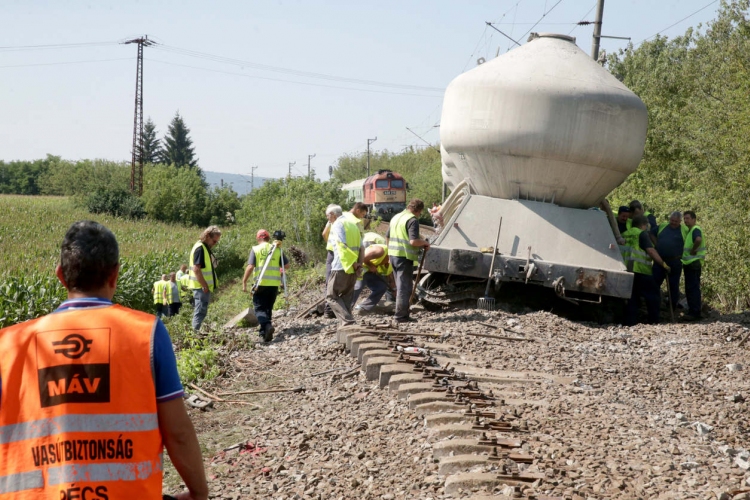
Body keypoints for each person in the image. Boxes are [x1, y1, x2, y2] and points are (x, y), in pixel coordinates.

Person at [0, 221, 208, 500]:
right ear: (115, 274)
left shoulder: (8, 344)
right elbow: (178, 432)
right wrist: (198, 492)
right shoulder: (147, 333)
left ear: (61, 276)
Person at [387, 198, 431, 323]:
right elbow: (413, 241)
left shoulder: (396, 217)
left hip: (393, 256)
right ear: (418, 210)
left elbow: (387, 237)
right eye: (420, 212)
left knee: (401, 285)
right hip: (404, 257)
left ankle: (402, 313)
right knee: (404, 287)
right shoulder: (412, 220)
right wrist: (424, 243)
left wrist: (389, 253)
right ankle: (400, 316)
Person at [242, 229, 290, 342]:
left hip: (260, 283)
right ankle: (265, 333)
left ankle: (267, 326)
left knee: (259, 309)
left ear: (258, 238)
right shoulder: (277, 249)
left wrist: (244, 282)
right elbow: (286, 265)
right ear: (268, 238)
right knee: (268, 309)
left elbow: (250, 267)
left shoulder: (255, 249)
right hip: (273, 284)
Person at [623, 215, 669, 326]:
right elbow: (651, 251)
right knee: (653, 296)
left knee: (632, 298)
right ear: (644, 225)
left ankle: (631, 322)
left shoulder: (625, 234)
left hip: (627, 270)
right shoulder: (642, 234)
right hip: (641, 270)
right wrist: (663, 264)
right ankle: (654, 321)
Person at [326, 206, 363, 325]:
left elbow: (342, 245)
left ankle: (348, 322)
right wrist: (359, 265)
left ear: (332, 214)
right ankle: (347, 324)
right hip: (353, 267)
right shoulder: (353, 225)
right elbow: (362, 248)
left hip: (341, 265)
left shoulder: (337, 224)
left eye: (328, 216)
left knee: (331, 296)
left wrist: (352, 263)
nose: (328, 219)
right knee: (346, 296)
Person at [188, 226, 221, 331]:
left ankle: (194, 334)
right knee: (200, 311)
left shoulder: (203, 247)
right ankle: (193, 335)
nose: (215, 244)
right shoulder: (200, 248)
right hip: (200, 287)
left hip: (201, 286)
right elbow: (196, 269)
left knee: (201, 311)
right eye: (214, 241)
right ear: (207, 236)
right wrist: (204, 285)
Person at [652, 211, 685, 312]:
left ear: (680, 221)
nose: (673, 223)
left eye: (676, 221)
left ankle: (672, 308)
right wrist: (656, 244)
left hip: (675, 262)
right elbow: (651, 233)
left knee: (673, 286)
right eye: (672, 220)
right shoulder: (663, 226)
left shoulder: (684, 230)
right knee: (654, 283)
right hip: (660, 261)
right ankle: (654, 305)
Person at [351, 240, 395, 314]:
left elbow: (389, 276)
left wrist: (394, 289)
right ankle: (347, 307)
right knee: (358, 287)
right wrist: (370, 265)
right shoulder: (380, 251)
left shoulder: (392, 263)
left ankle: (363, 307)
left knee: (381, 287)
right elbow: (363, 257)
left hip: (370, 272)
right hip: (361, 268)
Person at [681, 210, 706, 320]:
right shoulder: (690, 231)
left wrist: (693, 250)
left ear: (694, 219)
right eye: (684, 218)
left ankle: (694, 312)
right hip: (690, 262)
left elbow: (698, 239)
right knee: (692, 287)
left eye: (688, 218)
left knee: (692, 288)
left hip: (693, 262)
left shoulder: (695, 229)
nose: (685, 220)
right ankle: (694, 311)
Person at [322, 204, 343, 319]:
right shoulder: (340, 220)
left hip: (332, 251)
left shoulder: (333, 221)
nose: (327, 218)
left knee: (330, 279)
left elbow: (324, 233)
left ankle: (329, 310)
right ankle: (330, 309)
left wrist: (329, 243)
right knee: (335, 279)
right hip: (337, 251)